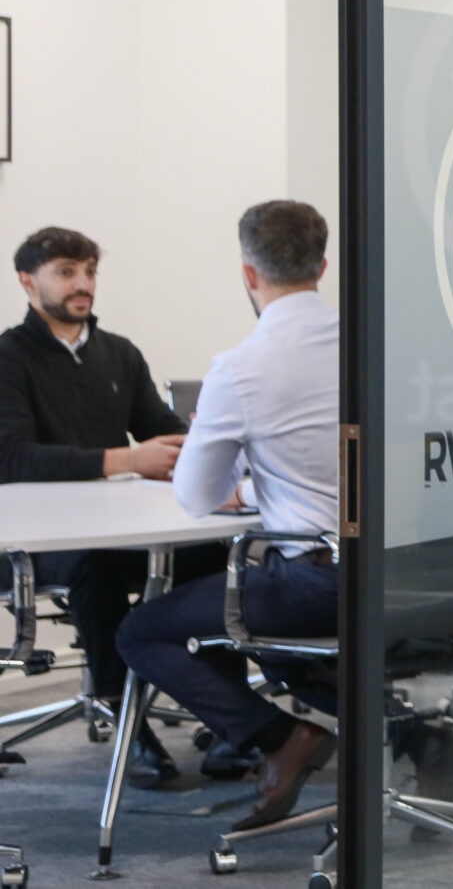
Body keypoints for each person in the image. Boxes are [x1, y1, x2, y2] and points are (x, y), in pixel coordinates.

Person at [115, 201, 340, 831]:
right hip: (397, 573)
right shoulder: (369, 345)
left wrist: (239, 485)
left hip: (317, 585)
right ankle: (410, 740)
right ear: (322, 265)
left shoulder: (241, 369)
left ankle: (277, 739)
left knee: (141, 631)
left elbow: (193, 495)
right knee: (247, 620)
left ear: (248, 274)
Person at [0, 225, 204, 785]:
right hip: (37, 543)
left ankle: (229, 719)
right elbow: (12, 458)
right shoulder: (8, 358)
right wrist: (125, 461)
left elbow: (158, 430)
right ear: (27, 281)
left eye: (89, 271)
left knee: (211, 555)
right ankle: (127, 721)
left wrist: (208, 445)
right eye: (66, 272)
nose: (82, 284)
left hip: (112, 531)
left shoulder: (118, 353)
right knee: (97, 565)